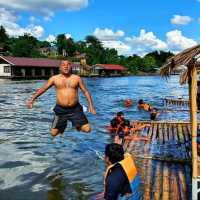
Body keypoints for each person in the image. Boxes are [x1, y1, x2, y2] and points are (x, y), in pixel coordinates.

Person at [26, 60, 96, 137]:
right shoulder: (54, 78)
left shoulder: (77, 78)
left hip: (75, 109)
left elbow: (85, 92)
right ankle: (64, 125)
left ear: (71, 67)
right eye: (63, 65)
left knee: (87, 129)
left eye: (68, 64)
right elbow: (43, 89)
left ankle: (77, 126)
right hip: (61, 110)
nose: (66, 66)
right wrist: (32, 99)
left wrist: (91, 107)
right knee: (53, 134)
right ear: (60, 67)